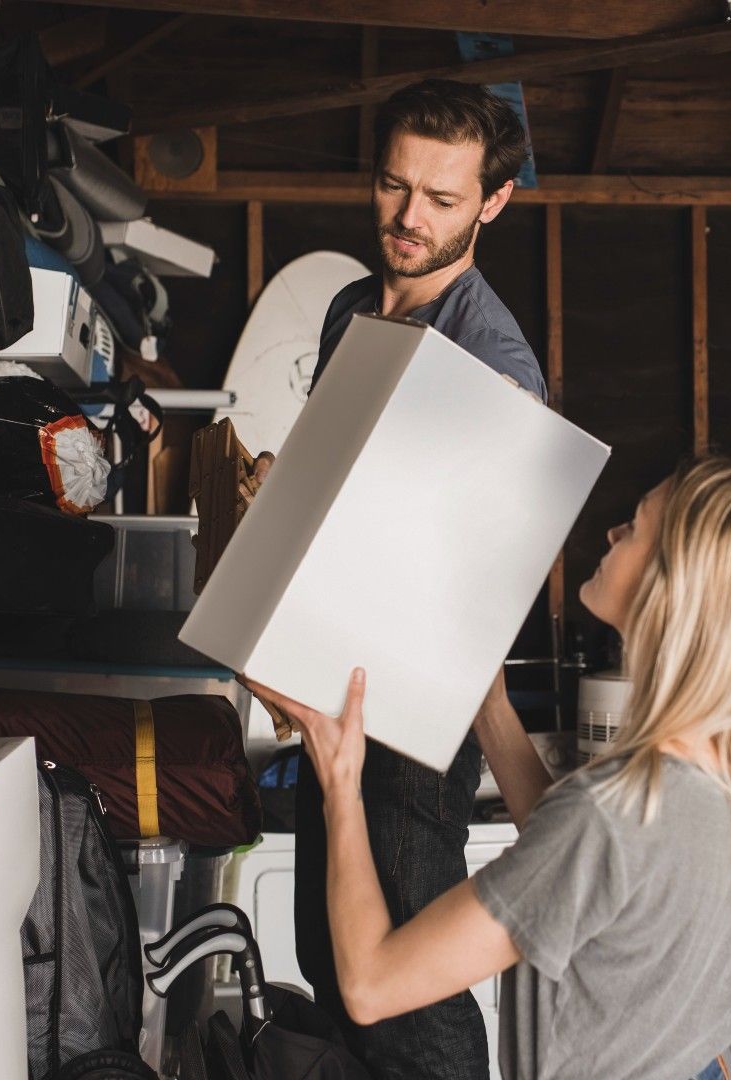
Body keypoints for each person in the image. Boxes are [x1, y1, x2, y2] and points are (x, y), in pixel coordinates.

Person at [244, 457, 731, 1080]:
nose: (613, 534)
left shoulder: (610, 816)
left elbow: (371, 983)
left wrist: (340, 779)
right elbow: (582, 873)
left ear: (677, 588)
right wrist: (492, 709)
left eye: (634, 527)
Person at [246, 78, 550, 1080]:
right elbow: (350, 482)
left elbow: (472, 574)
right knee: (329, 966)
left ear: (493, 203)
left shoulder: (494, 360)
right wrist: (280, 491)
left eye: (443, 200)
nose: (409, 218)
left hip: (418, 717)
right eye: (393, 186)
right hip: (336, 681)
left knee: (408, 999)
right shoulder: (348, 307)